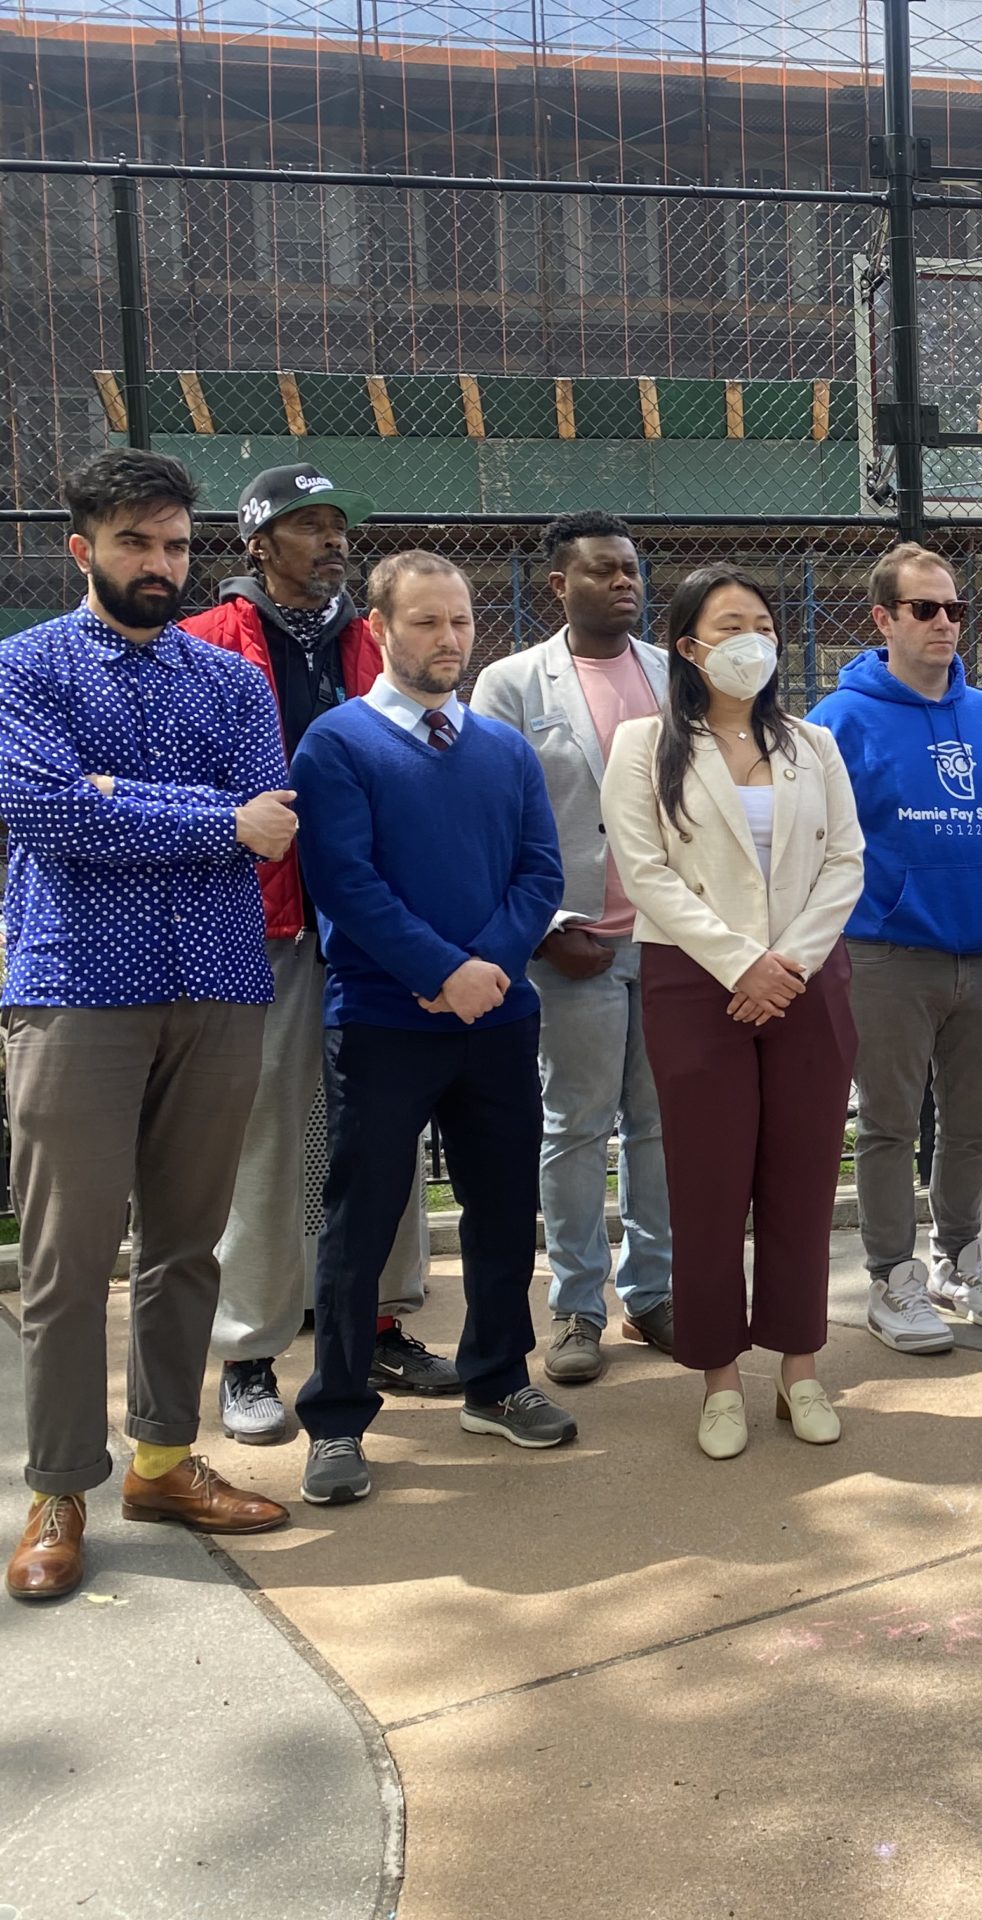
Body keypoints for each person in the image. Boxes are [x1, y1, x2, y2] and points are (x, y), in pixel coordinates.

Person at [1, 448, 292, 1601]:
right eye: (136, 542)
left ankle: (165, 1463)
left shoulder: (233, 682)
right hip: (75, 987)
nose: (160, 563)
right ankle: (59, 1489)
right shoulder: (25, 667)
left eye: (175, 543)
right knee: (68, 1258)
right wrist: (213, 819)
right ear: (83, 549)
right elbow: (44, 811)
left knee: (186, 1244)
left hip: (218, 985)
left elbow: (274, 819)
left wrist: (123, 797)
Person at [290, 551, 574, 1505]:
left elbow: (539, 871)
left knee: (503, 1210)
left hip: (497, 1018)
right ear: (377, 629)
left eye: (459, 620)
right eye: (425, 622)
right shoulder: (337, 744)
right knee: (359, 1222)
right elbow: (345, 882)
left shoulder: (503, 749)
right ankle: (336, 1417)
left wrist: (483, 970)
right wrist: (441, 972)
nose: (449, 639)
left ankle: (496, 1382)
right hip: (381, 1021)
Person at [182, 464, 449, 1445]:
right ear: (257, 543)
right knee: (267, 1136)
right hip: (267, 926)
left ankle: (376, 1323)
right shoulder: (207, 642)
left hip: (377, 922)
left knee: (385, 1126)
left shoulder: (375, 640)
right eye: (309, 525)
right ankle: (249, 1351)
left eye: (339, 523)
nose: (332, 538)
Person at [601, 567, 865, 1458]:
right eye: (729, 625)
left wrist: (786, 963)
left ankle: (800, 1369)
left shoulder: (812, 744)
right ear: (688, 646)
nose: (752, 640)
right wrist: (739, 961)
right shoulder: (645, 744)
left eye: (763, 624)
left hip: (805, 979)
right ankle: (719, 1379)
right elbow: (645, 871)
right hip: (694, 981)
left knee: (803, 1179)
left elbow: (846, 861)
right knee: (707, 1185)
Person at [808, 541, 982, 1354]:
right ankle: (890, 1277)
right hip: (886, 953)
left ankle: (959, 1260)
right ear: (883, 618)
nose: (945, 623)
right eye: (925, 608)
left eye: (955, 609)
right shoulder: (838, 721)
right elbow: (820, 836)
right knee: (889, 1124)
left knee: (973, 1122)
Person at [470, 511, 676, 1385]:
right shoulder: (512, 684)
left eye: (631, 569)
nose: (624, 582)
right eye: (602, 570)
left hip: (667, 941)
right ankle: (578, 1308)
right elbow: (489, 820)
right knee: (576, 1127)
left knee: (660, 1127)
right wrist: (549, 929)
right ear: (559, 584)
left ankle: (655, 1295)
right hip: (573, 946)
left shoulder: (674, 674)